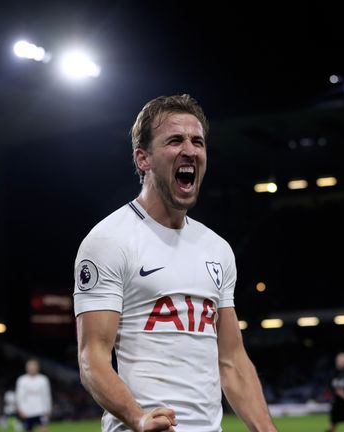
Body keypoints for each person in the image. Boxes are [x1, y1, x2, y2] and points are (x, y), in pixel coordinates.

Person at [73, 94, 276, 432]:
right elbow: (92, 358)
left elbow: (232, 361)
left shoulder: (218, 249)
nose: (190, 150)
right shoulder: (109, 240)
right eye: (175, 140)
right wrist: (138, 417)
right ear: (143, 159)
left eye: (198, 141)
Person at [15, 359, 52, 432]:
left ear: (37, 367)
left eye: (34, 366)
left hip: (41, 410)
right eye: (30, 366)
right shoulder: (22, 380)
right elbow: (19, 396)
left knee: (43, 429)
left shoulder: (43, 379)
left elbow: (47, 395)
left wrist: (48, 409)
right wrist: (20, 409)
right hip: (27, 411)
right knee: (28, 429)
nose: (32, 368)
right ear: (27, 367)